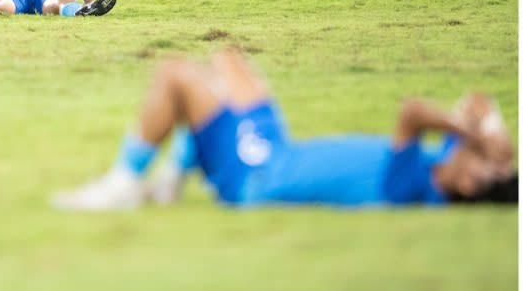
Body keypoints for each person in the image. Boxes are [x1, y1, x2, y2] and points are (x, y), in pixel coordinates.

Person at [52, 48, 516, 210]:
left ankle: (122, 184)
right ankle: (172, 181)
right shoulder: (444, 164)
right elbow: (477, 102)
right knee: (228, 60)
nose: (468, 149)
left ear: (470, 182)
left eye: (477, 159)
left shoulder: (414, 187)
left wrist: (478, 139)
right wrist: (494, 137)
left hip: (255, 177)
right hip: (278, 148)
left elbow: (412, 112)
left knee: (177, 75)